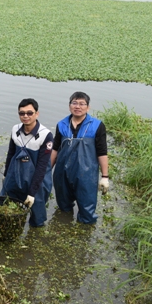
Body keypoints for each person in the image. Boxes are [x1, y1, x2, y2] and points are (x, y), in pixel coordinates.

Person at [51, 92, 109, 224]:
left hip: (86, 174)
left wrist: (105, 177)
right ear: (69, 105)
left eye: (82, 104)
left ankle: (85, 234)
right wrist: (47, 170)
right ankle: (63, 226)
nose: (78, 106)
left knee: (87, 210)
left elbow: (102, 152)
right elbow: (55, 148)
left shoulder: (97, 125)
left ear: (88, 107)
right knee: (63, 206)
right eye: (74, 103)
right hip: (62, 172)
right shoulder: (61, 124)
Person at [1, 98, 53, 227]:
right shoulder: (15, 129)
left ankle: (35, 235)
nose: (25, 116)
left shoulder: (46, 135)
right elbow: (11, 154)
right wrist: (6, 175)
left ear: (37, 113)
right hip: (15, 174)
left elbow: (42, 166)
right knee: (6, 208)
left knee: (37, 217)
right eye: (22, 113)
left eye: (30, 113)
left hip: (37, 179)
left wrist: (32, 192)